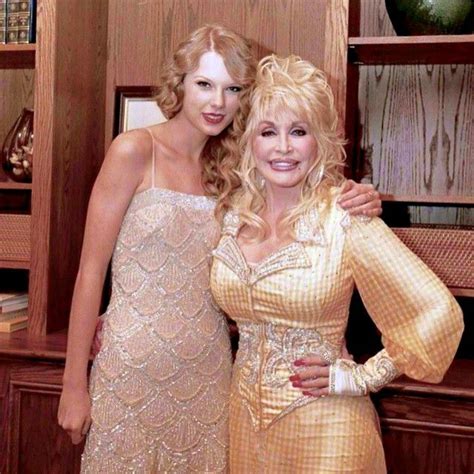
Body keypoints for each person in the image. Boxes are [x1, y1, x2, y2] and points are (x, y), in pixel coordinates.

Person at [57, 25, 382, 472]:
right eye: (204, 84)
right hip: (128, 369)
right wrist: (74, 384)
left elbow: (299, 194)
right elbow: (90, 270)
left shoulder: (235, 173)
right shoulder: (134, 150)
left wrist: (356, 196)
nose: (217, 102)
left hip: (210, 375)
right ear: (180, 84)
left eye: (232, 89)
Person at [210, 54, 464, 473]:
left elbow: (437, 312)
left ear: (320, 141)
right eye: (269, 132)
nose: (283, 148)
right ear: (250, 142)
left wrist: (361, 377)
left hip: (328, 427)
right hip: (245, 426)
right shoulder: (231, 216)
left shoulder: (344, 216)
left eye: (299, 131)